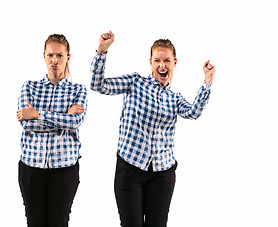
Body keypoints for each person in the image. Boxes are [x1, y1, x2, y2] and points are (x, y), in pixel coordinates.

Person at [90, 31, 215, 227]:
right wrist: (102, 51)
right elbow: (98, 85)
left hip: (162, 173)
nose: (162, 65)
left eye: (167, 60)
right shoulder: (135, 82)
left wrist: (207, 81)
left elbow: (193, 112)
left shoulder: (175, 98)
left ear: (175, 63)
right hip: (130, 169)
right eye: (157, 60)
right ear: (151, 62)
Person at [16, 34, 87, 227]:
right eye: (50, 55)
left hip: (64, 169)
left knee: (58, 222)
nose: (54, 60)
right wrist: (63, 116)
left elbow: (75, 121)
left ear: (68, 57)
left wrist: (37, 114)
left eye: (60, 55)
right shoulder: (29, 87)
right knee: (35, 222)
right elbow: (26, 123)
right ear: (44, 56)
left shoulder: (78, 90)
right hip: (31, 167)